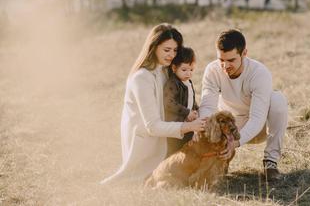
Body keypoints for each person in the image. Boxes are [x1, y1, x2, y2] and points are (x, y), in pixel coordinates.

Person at [100, 23, 206, 184]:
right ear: (154, 47)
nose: (171, 55)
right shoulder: (141, 78)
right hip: (147, 145)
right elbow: (153, 126)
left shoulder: (165, 71)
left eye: (175, 50)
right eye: (166, 50)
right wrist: (190, 127)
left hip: (168, 138)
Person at [199, 29, 288, 181]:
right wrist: (214, 136)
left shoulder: (259, 73)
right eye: (221, 60)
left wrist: (236, 142)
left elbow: (257, 117)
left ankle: (270, 162)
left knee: (278, 100)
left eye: (231, 60)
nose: (225, 65)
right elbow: (207, 107)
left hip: (258, 127)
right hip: (228, 127)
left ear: (244, 53)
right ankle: (220, 159)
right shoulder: (212, 70)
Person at [163, 47, 199, 157]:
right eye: (184, 70)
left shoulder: (188, 82)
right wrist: (187, 112)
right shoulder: (173, 83)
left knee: (188, 149)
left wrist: (196, 109)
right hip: (175, 127)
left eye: (191, 70)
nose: (188, 73)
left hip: (187, 125)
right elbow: (169, 103)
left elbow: (191, 99)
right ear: (174, 68)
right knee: (174, 152)